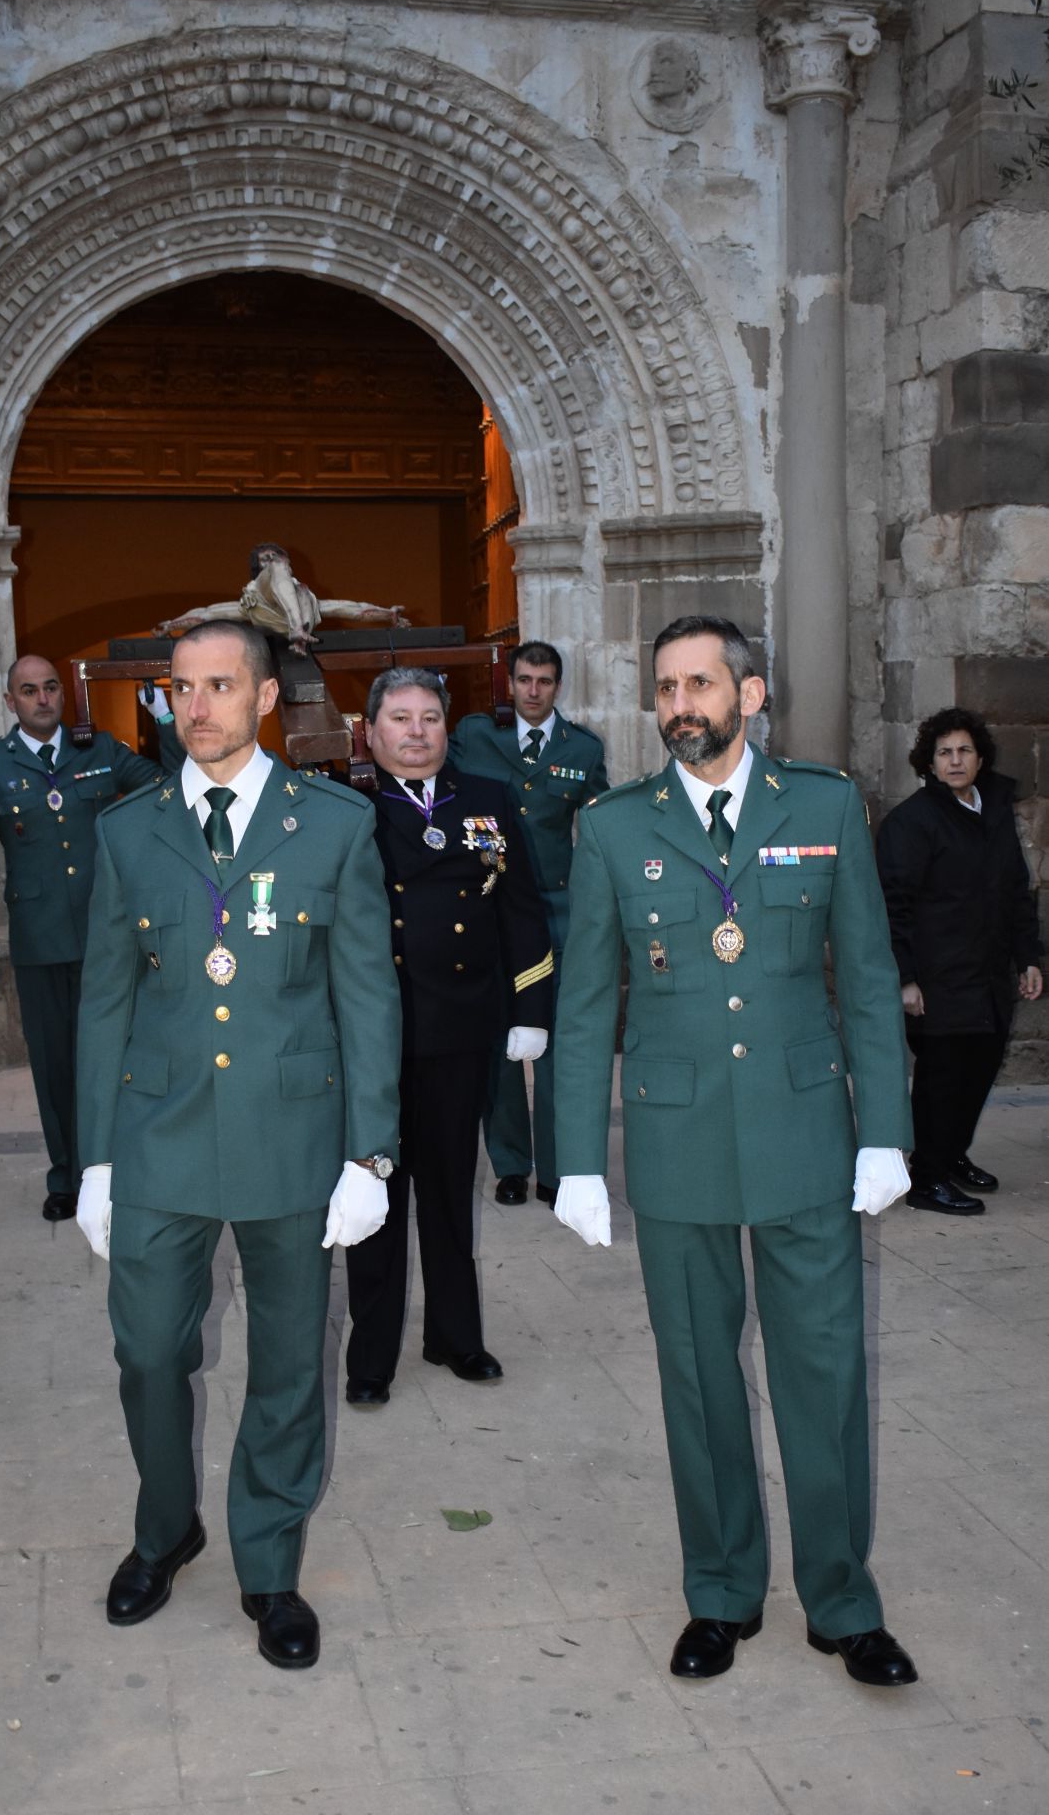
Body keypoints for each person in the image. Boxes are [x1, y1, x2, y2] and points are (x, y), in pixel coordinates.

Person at [553, 615, 920, 1690]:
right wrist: (577, 1156)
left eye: (699, 684)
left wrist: (884, 1131)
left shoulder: (820, 805)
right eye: (663, 686)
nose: (679, 705)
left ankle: (842, 1602)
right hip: (675, 1143)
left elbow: (861, 974)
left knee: (823, 1374)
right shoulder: (613, 828)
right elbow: (582, 1007)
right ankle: (717, 1591)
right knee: (698, 1378)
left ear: (748, 696)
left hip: (805, 1132)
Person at [73, 620, 401, 1669]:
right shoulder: (129, 831)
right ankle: (166, 1527)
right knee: (148, 1350)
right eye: (180, 688)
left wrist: (371, 1151)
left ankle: (267, 1562)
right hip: (159, 1134)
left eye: (219, 686)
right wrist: (92, 1159)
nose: (195, 706)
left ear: (264, 699)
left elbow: (365, 993)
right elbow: (103, 1003)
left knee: (288, 1365)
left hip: (292, 1135)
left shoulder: (335, 825)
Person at [343, 667, 554, 1407]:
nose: (415, 731)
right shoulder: (345, 808)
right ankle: (369, 1357)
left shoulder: (488, 802)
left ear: (446, 727)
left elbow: (522, 911)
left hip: (461, 1024)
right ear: (370, 732)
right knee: (375, 1196)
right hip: (375, 1036)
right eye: (398, 718)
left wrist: (530, 1010)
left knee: (447, 1190)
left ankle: (455, 1336)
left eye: (429, 717)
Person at [0, 655, 181, 1222]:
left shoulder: (99, 752)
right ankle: (68, 1176)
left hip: (109, 937)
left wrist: (166, 723)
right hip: (40, 942)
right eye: (28, 690)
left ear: (64, 693)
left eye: (51, 687)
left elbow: (171, 787)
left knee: (123, 1057)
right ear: (11, 702)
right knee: (56, 1065)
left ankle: (123, 1167)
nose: (42, 698)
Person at [448, 640, 609, 1206]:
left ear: (557, 686)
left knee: (560, 1051)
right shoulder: (474, 736)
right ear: (509, 683)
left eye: (544, 681)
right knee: (502, 1049)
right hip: (491, 910)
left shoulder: (582, 749)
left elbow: (601, 827)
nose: (533, 691)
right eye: (524, 680)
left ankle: (557, 1171)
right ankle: (512, 1165)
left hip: (556, 914)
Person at [876, 708, 1043, 1217]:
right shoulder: (912, 822)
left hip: (988, 974)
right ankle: (926, 1177)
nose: (955, 760)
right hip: (938, 979)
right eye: (944, 752)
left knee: (979, 1072)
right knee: (940, 1083)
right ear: (929, 761)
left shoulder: (992, 808)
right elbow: (892, 905)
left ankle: (951, 1156)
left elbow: (1016, 891)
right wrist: (905, 979)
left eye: (964, 751)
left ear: (980, 757)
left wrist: (1028, 958)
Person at [153, 542, 408, 649]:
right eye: (265, 560)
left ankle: (297, 629)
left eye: (274, 558)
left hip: (297, 616)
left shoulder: (303, 593)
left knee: (308, 594)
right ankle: (297, 630)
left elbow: (349, 608)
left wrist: (388, 615)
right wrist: (172, 625)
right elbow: (207, 614)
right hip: (269, 616)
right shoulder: (251, 601)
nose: (271, 562)